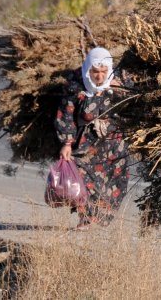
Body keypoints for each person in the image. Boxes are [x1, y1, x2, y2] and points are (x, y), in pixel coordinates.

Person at [55, 47, 130, 230]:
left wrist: (120, 90)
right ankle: (85, 218)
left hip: (114, 143)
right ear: (88, 69)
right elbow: (66, 114)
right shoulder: (75, 85)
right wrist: (66, 143)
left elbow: (134, 106)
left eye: (104, 72)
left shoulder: (120, 82)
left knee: (112, 181)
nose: (99, 76)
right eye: (95, 72)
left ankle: (99, 217)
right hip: (86, 142)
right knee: (82, 178)